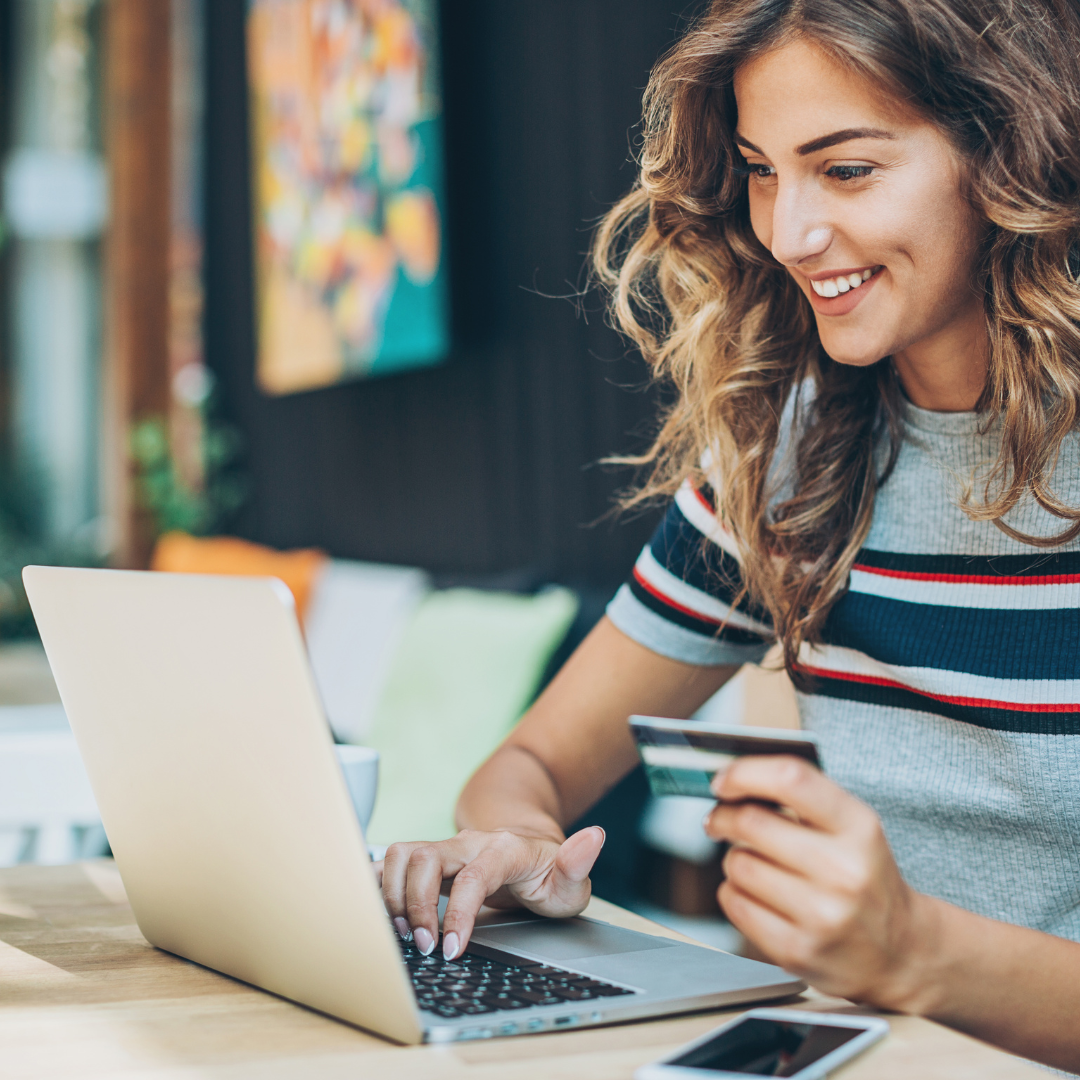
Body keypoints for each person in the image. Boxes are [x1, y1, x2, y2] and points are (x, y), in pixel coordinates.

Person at [377, 0, 1080, 1069]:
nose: (789, 232)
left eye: (845, 170)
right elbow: (530, 762)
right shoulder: (789, 459)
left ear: (1009, 152)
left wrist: (917, 950)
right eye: (762, 170)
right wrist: (520, 847)